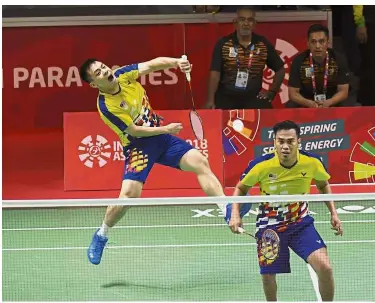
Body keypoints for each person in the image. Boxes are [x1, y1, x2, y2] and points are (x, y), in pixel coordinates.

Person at [79, 57, 226, 265]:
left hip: (161, 139)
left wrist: (177, 62)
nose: (105, 71)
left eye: (103, 67)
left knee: (199, 161)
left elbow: (152, 64)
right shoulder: (106, 106)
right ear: (94, 84)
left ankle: (226, 208)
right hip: (138, 146)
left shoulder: (123, 74)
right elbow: (133, 130)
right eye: (98, 73)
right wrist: (166, 129)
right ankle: (101, 234)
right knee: (130, 195)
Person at [228, 120, 343, 301]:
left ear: (299, 141)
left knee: (325, 268)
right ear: (274, 142)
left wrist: (333, 213)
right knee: (267, 277)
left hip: (300, 223)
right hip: (269, 225)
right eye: (280, 141)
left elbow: (323, 184)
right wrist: (235, 214)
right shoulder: (260, 165)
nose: (285, 146)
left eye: (290, 141)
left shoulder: (312, 162)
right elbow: (241, 188)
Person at [205, 6, 285, 110]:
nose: (246, 24)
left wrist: (272, 93)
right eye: (242, 20)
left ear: (255, 24)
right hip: (226, 97)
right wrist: (210, 100)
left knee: (268, 116)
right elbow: (215, 74)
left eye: (250, 20)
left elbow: (280, 69)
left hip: (253, 97)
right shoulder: (223, 43)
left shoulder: (262, 43)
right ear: (235, 22)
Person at [287, 24, 350, 108]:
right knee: (291, 105)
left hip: (332, 100)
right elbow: (293, 93)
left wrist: (330, 102)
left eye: (321, 41)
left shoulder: (338, 59)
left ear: (327, 43)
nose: (317, 46)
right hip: (306, 101)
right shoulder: (298, 61)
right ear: (308, 44)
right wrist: (309, 103)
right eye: (313, 42)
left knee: (348, 104)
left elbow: (343, 91)